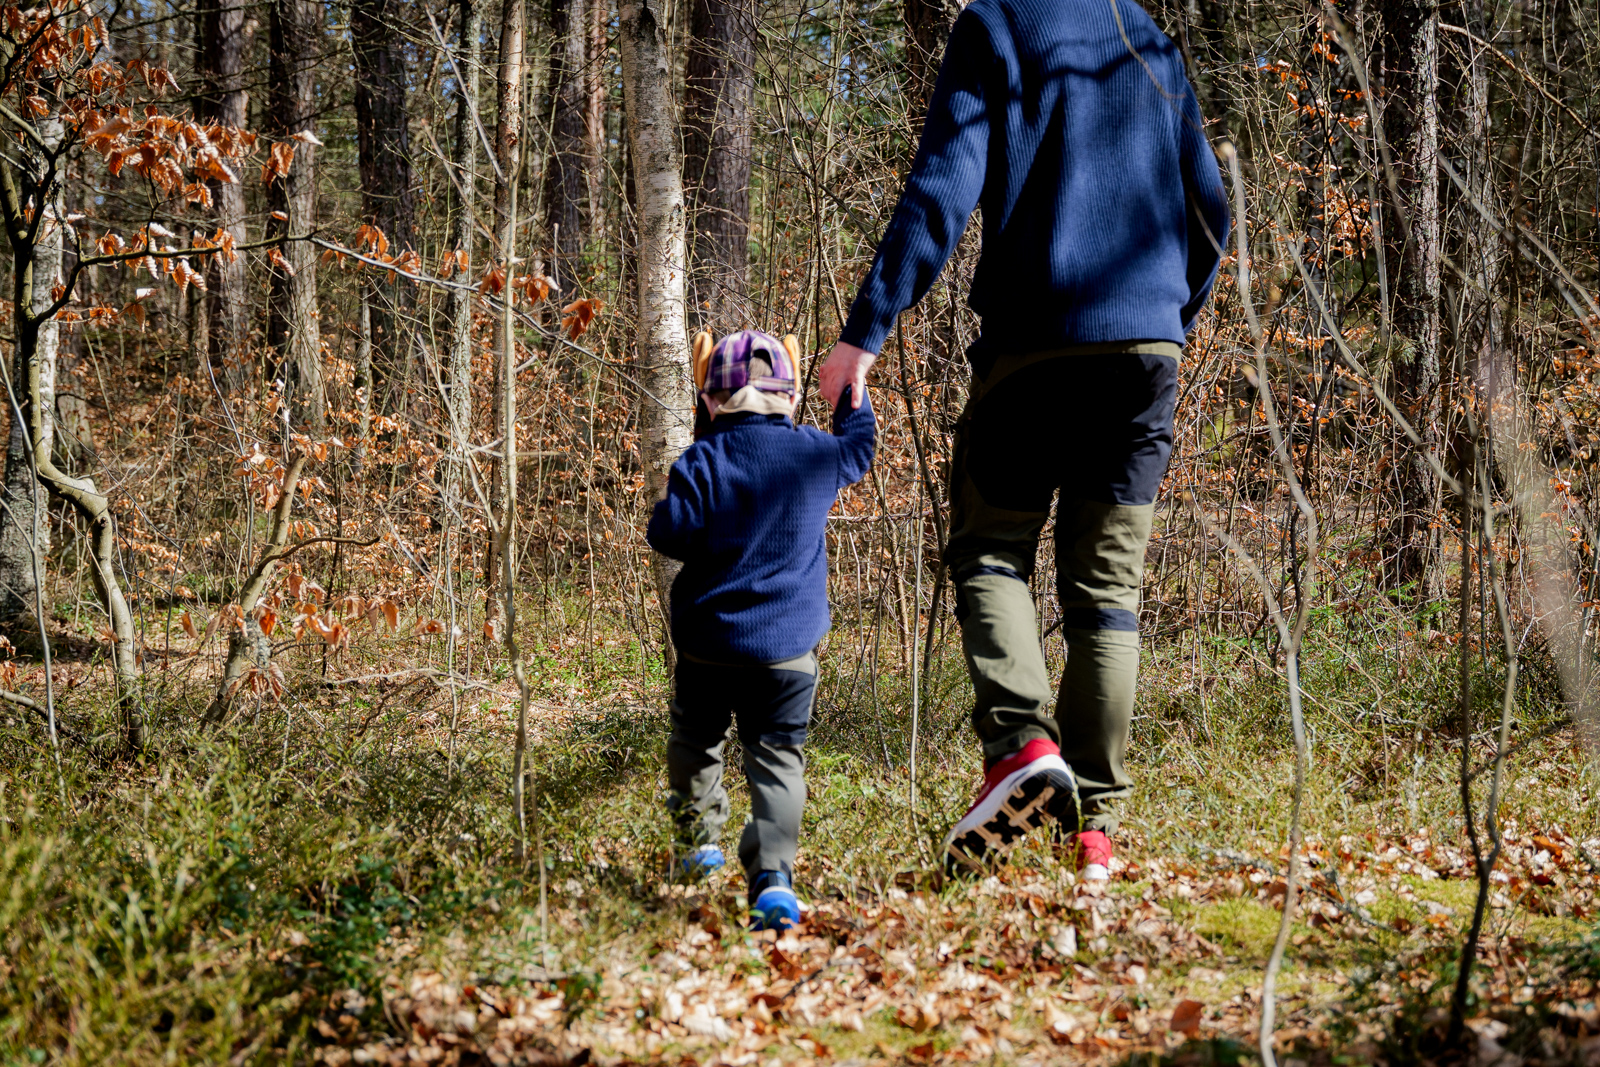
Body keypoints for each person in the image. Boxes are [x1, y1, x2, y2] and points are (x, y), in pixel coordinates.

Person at [819, 0, 1230, 878]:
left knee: (991, 552)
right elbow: (1210, 213)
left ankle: (1018, 747)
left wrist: (867, 330)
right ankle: (1095, 830)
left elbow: (942, 188)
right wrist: (1166, 321)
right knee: (1107, 593)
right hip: (1146, 356)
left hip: (1035, 347)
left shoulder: (997, 26)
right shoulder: (1144, 35)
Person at [648, 329, 877, 928]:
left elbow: (669, 534)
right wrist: (854, 391)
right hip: (786, 653)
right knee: (779, 758)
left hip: (707, 649)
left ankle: (699, 842)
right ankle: (773, 877)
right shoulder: (815, 453)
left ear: (709, 401)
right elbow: (859, 447)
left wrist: (688, 466)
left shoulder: (701, 461)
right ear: (793, 397)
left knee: (697, 740)